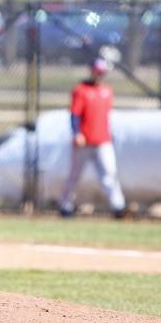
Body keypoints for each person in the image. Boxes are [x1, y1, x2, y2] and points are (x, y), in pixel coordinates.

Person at [58, 57, 127, 219]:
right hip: (84, 141)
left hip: (103, 141)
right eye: (98, 72)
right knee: (75, 175)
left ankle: (118, 207)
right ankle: (65, 206)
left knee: (110, 174)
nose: (100, 75)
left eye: (102, 73)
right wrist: (76, 133)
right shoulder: (81, 90)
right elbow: (74, 114)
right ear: (92, 71)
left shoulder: (107, 91)